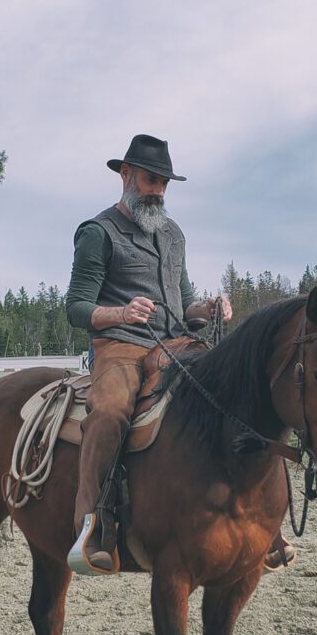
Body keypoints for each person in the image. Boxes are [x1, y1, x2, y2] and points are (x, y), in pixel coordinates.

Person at [65, 134, 292, 575]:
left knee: (239, 393)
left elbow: (182, 302)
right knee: (110, 411)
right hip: (121, 347)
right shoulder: (98, 233)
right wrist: (121, 312)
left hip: (176, 344)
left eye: (165, 183)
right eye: (152, 180)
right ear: (126, 175)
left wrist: (205, 309)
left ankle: (261, 522)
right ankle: (93, 521)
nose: (159, 191)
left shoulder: (172, 234)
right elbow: (75, 307)